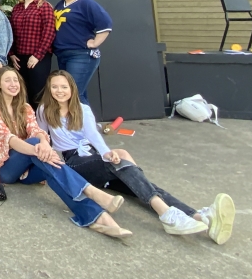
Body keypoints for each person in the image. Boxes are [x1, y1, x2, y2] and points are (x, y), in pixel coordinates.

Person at [37, 71, 235, 243]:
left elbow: (94, 137)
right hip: (73, 162)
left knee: (136, 182)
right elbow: (42, 137)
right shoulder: (45, 110)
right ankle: (167, 214)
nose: (59, 90)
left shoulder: (83, 109)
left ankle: (200, 217)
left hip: (94, 155)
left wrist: (106, 152)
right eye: (54, 87)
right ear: (49, 89)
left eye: (64, 86)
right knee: (124, 160)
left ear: (72, 88)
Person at [0, 67, 131, 238]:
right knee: (41, 150)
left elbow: (37, 130)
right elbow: (9, 139)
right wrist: (38, 149)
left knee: (52, 170)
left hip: (26, 169)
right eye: (8, 80)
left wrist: (44, 145)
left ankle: (98, 217)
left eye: (16, 80)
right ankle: (91, 192)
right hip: (3, 169)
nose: (13, 84)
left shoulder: (25, 107)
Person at [53, 0, 112, 105]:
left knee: (72, 93)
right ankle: (87, 125)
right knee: (78, 94)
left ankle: (84, 125)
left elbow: (106, 23)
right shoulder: (59, 5)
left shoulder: (86, 3)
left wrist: (95, 42)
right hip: (63, 55)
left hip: (81, 55)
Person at [8, 0, 55, 108]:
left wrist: (37, 56)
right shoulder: (17, 8)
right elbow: (11, 32)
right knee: (22, 93)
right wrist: (11, 54)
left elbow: (49, 32)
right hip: (19, 57)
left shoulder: (44, 6)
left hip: (39, 57)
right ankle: (27, 123)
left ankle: (41, 125)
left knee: (38, 93)